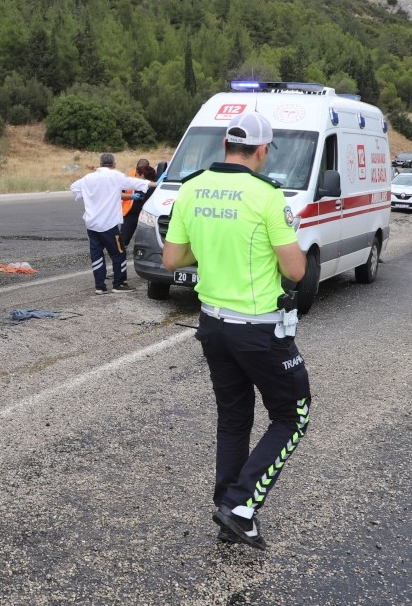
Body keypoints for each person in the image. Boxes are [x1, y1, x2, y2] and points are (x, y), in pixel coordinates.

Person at [161, 112, 310, 550]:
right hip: (260, 329)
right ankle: (241, 506)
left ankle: (228, 505)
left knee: (234, 417)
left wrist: (211, 249)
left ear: (226, 145)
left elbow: (171, 261)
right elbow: (296, 270)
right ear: (262, 151)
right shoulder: (266, 196)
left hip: (213, 324)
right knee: (292, 415)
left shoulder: (191, 188)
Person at [70, 153, 153, 295]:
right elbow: (135, 182)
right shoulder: (115, 176)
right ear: (114, 164)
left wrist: (89, 197)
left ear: (100, 163)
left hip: (92, 225)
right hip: (108, 225)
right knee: (119, 253)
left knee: (96, 255)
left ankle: (100, 286)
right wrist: (157, 183)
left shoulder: (88, 178)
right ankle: (118, 284)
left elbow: (74, 187)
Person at [119, 162, 158, 247]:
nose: (135, 177)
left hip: (148, 217)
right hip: (131, 214)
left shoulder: (154, 187)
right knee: (123, 240)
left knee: (148, 242)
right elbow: (119, 194)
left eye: (136, 175)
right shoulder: (131, 182)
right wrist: (131, 196)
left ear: (142, 175)